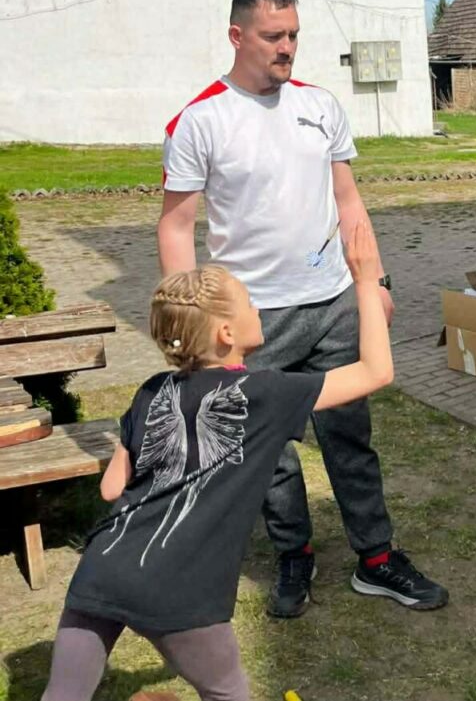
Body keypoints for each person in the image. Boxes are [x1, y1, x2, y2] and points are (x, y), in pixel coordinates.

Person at [156, 0, 447, 617]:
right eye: (273, 36)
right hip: (253, 320)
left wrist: (376, 285)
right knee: (267, 451)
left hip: (334, 302)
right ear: (237, 36)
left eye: (293, 35)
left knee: (350, 436)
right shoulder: (199, 121)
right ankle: (294, 554)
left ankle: (377, 558)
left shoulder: (320, 106)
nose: (287, 47)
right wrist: (191, 323)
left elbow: (348, 201)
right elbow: (176, 227)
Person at [42, 222, 392, 701]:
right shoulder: (265, 394)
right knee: (227, 694)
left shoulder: (151, 390)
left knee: (63, 695)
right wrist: (366, 281)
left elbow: (111, 489)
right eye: (249, 302)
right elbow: (376, 371)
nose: (257, 308)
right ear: (227, 332)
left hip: (102, 567)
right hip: (180, 586)